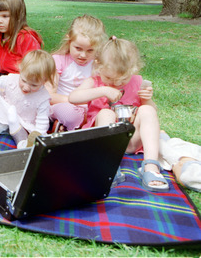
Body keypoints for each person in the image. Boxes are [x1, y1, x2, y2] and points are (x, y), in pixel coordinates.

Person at [69, 36, 169, 192]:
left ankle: (150, 166)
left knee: (147, 110)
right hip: (102, 142)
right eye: (109, 78)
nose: (115, 84)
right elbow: (73, 98)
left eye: (122, 79)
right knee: (105, 113)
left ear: (133, 70)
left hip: (130, 141)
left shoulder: (137, 82)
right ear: (98, 66)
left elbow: (151, 115)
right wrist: (102, 90)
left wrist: (147, 100)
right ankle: (107, 165)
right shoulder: (94, 82)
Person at [0, 50, 56, 149]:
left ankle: (22, 142)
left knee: (23, 131)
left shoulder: (43, 97)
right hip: (3, 115)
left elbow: (42, 120)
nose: (26, 87)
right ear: (21, 70)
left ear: (45, 81)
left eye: (33, 85)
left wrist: (39, 136)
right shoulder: (11, 79)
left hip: (22, 124)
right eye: (24, 80)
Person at [46, 15, 107, 132]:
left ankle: (69, 128)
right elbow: (49, 95)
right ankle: (71, 126)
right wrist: (75, 100)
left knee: (106, 113)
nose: (83, 55)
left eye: (90, 50)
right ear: (69, 41)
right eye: (78, 48)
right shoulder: (59, 60)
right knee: (70, 113)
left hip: (90, 108)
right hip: (64, 105)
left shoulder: (98, 65)